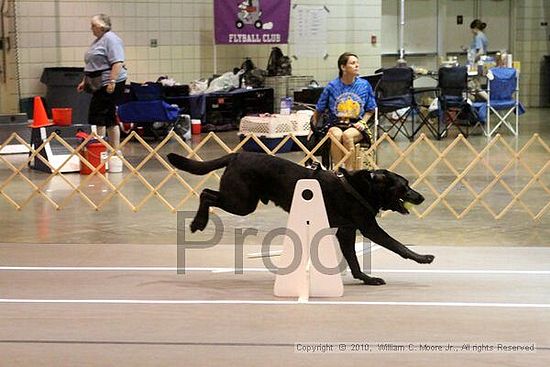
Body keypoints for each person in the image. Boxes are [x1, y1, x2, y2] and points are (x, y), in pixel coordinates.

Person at [312, 52, 376, 170]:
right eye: (353, 63)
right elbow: (319, 109)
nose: (357, 65)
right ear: (343, 67)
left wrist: (363, 122)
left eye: (357, 63)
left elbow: (371, 109)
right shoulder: (332, 86)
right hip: (335, 123)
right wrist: (312, 129)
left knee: (347, 136)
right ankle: (338, 170)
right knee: (336, 135)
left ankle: (350, 171)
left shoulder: (364, 85)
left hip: (356, 124)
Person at [77, 14, 127, 152]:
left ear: (101, 27)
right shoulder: (99, 40)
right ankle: (113, 150)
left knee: (97, 114)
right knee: (109, 115)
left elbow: (117, 62)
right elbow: (93, 64)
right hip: (98, 82)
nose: (91, 28)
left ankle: (99, 148)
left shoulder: (111, 40)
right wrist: (84, 80)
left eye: (93, 25)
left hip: (109, 82)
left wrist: (112, 81)